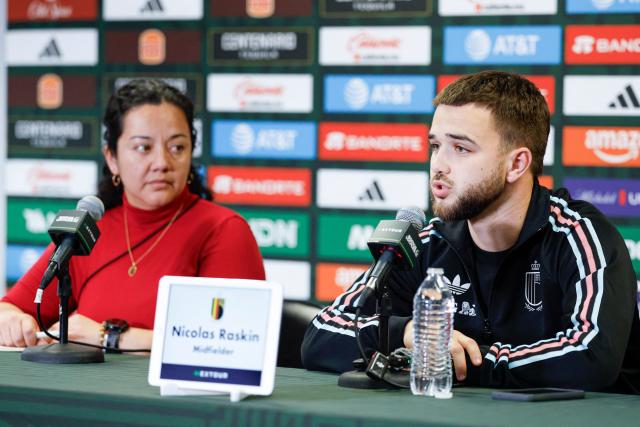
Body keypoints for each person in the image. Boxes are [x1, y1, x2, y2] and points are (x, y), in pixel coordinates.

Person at [301, 70, 640, 392]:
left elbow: (591, 356)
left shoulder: (579, 236)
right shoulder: (426, 243)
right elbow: (321, 334)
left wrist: (463, 360)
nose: (439, 165)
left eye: (460, 148)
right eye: (436, 146)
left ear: (517, 164)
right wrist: (406, 333)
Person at [0, 79, 265, 352]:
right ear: (112, 157)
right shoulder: (90, 230)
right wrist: (13, 321)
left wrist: (108, 337)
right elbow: (9, 308)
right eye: (143, 148)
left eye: (177, 147)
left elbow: (236, 345)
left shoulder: (224, 230)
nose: (162, 163)